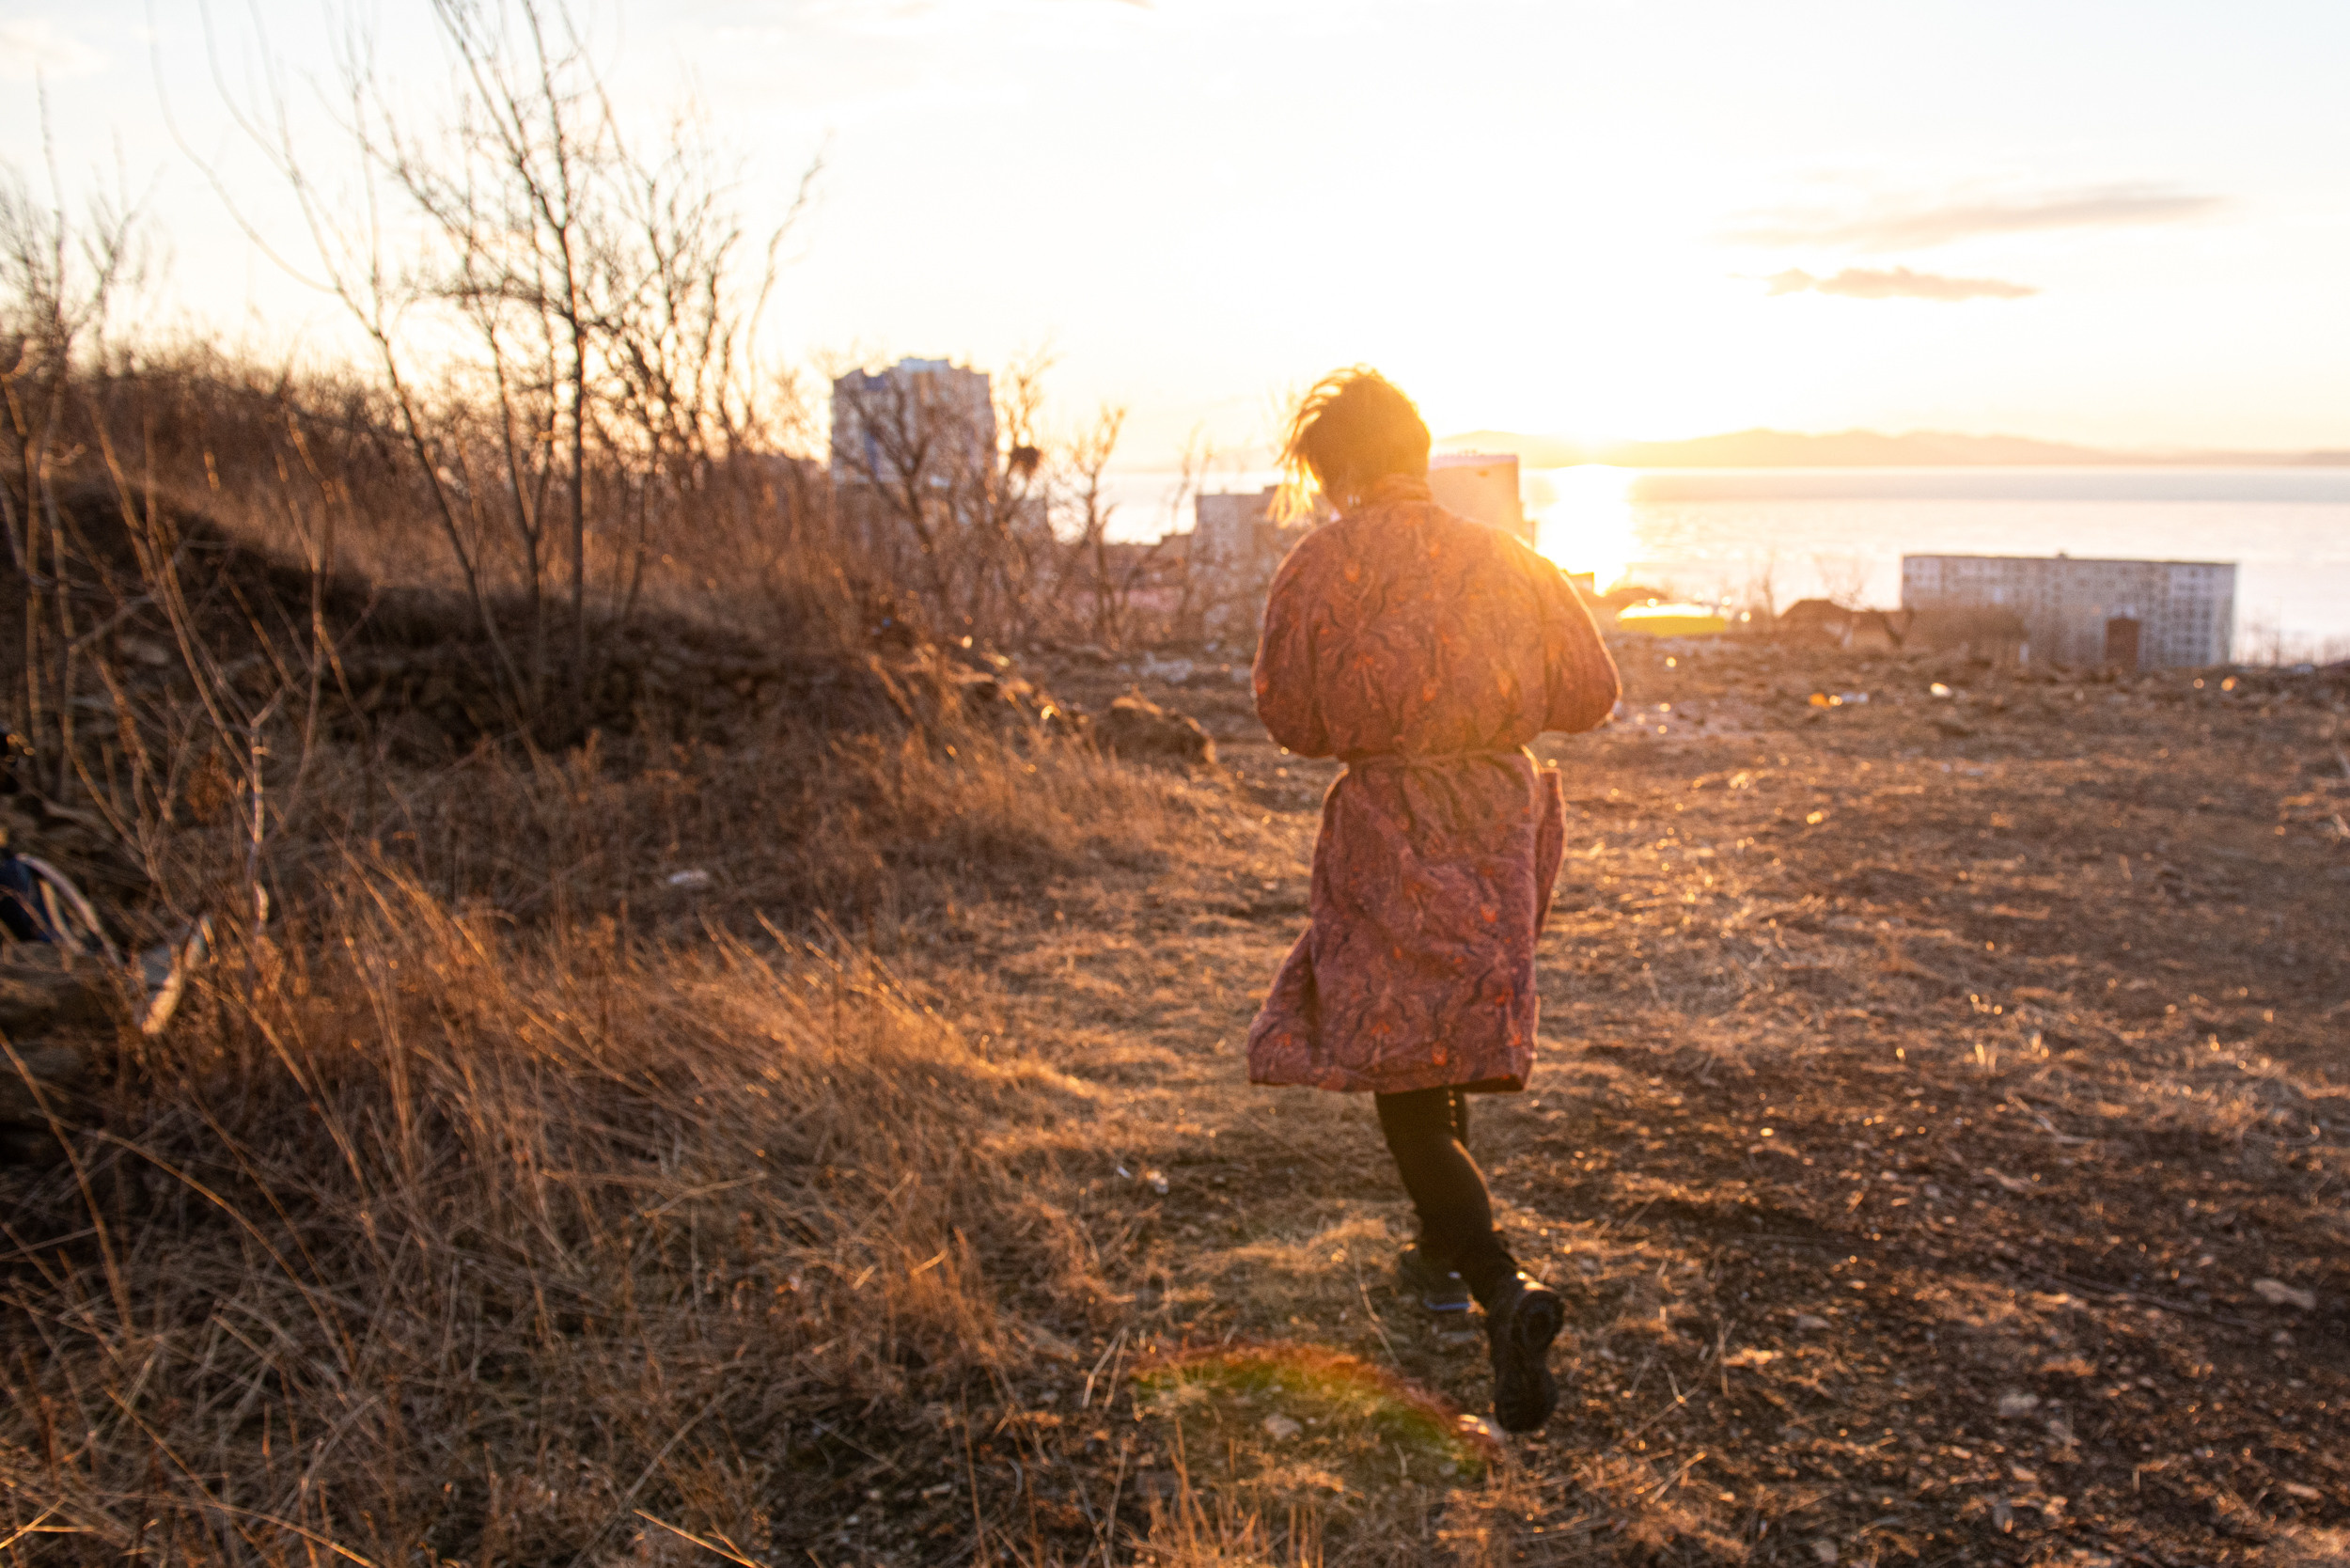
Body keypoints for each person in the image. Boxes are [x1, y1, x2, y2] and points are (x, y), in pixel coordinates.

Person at [1245, 368, 1620, 1433]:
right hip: (1498, 822)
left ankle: (1497, 1284)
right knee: (1443, 1043)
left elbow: (1289, 719)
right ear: (1415, 450)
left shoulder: (1319, 568)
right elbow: (1592, 695)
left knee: (1402, 1072)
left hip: (1389, 825)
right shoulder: (1507, 558)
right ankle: (1431, 1256)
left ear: (1342, 472)